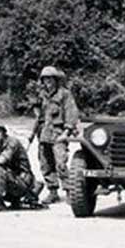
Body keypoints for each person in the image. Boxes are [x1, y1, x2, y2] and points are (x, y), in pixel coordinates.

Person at [32, 66, 79, 204]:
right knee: (45, 163)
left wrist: (67, 131)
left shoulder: (64, 94)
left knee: (60, 163)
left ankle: (69, 191)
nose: (48, 82)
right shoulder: (42, 95)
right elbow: (38, 114)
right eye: (45, 79)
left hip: (58, 133)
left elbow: (71, 113)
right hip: (43, 134)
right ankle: (52, 191)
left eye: (50, 79)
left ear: (56, 80)